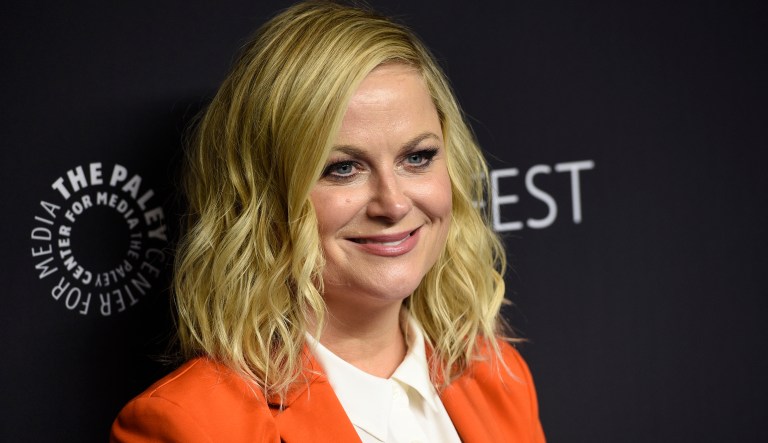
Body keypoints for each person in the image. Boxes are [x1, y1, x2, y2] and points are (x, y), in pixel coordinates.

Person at [111, 1, 545, 442]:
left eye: (417, 158)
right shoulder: (190, 426)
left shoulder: (499, 378)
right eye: (343, 168)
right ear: (265, 199)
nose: (394, 204)